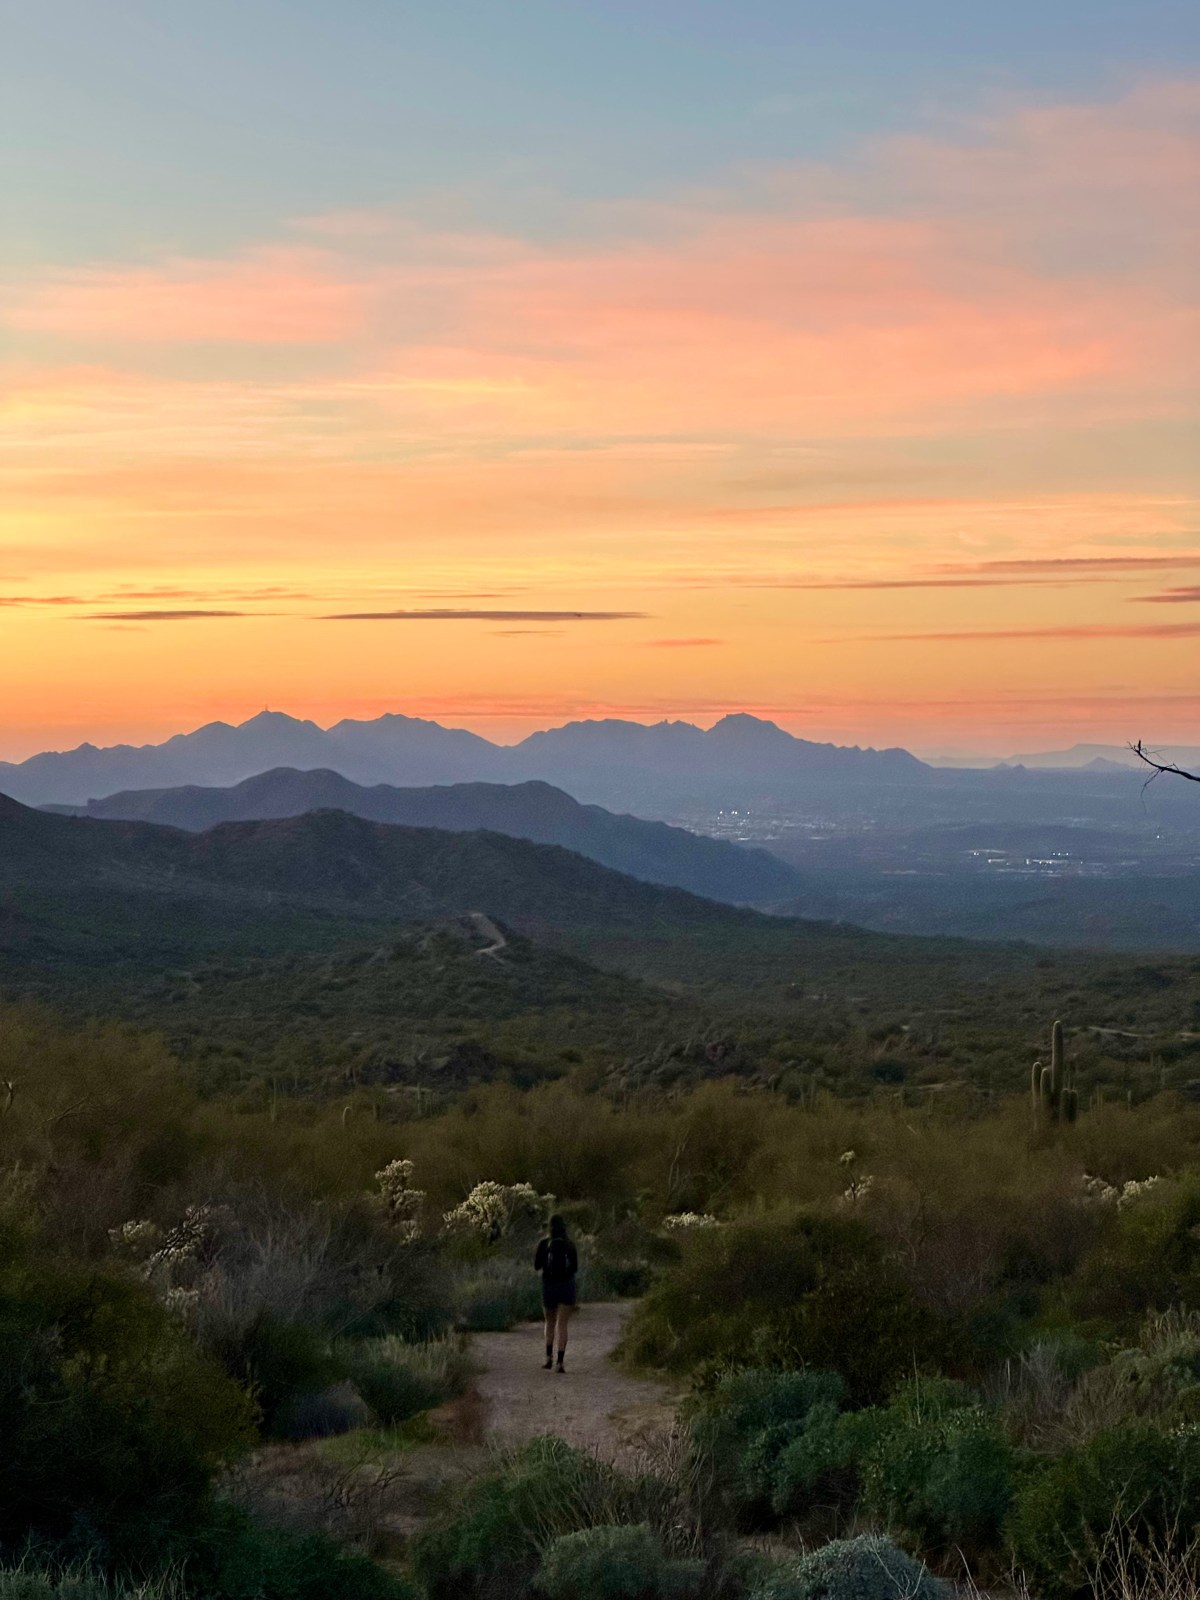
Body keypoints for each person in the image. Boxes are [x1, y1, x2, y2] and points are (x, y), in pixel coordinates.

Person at [533, 1214, 578, 1372]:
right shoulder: (570, 1245)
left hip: (549, 1285)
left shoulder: (544, 1244)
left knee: (550, 1322)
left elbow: (537, 1266)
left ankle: (548, 1358)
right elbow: (574, 1268)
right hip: (566, 1286)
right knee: (563, 1324)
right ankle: (560, 1361)